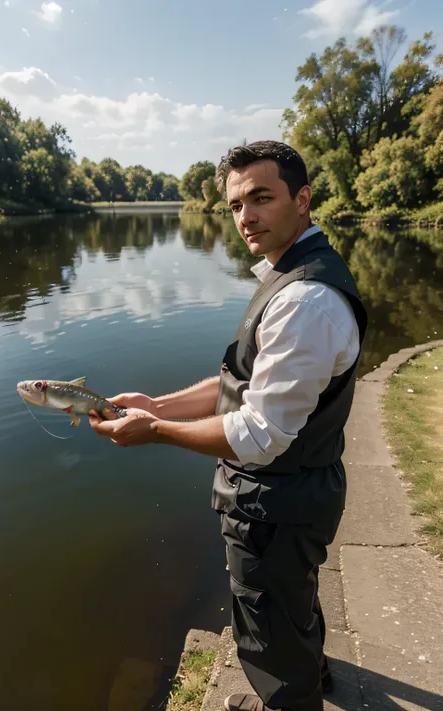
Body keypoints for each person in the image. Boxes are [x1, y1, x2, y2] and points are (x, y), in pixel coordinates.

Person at [88, 140, 368, 711]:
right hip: (294, 496)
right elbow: (241, 384)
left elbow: (260, 434)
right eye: (236, 204)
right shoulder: (288, 274)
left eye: (262, 198)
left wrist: (154, 431)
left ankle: (293, 694)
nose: (246, 217)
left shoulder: (304, 301)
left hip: (275, 506)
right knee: (293, 604)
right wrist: (159, 405)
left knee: (270, 645)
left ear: (303, 199)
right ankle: (312, 674)